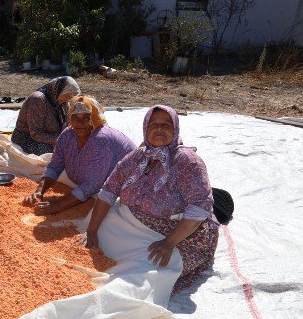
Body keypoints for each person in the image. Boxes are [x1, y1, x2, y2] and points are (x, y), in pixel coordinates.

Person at [86, 105, 219, 287]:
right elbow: (109, 191)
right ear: (145, 129)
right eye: (153, 125)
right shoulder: (138, 156)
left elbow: (199, 207)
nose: (159, 129)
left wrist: (168, 243)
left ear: (175, 130)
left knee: (142, 274)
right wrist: (92, 231)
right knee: (95, 231)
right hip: (132, 222)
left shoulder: (186, 161)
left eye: (165, 125)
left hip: (170, 233)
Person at [24, 96, 136, 215]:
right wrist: (39, 191)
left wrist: (57, 206)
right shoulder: (68, 134)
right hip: (91, 180)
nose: (79, 122)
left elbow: (91, 185)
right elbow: (55, 166)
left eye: (86, 117)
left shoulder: (101, 139)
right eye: (75, 117)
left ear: (95, 119)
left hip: (131, 182)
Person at [11, 76, 81, 155]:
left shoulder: (63, 103)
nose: (67, 99)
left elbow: (66, 125)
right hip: (26, 139)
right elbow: (35, 133)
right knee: (57, 153)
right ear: (59, 90)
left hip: (52, 137)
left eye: (70, 97)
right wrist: (59, 139)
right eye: (67, 96)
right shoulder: (38, 100)